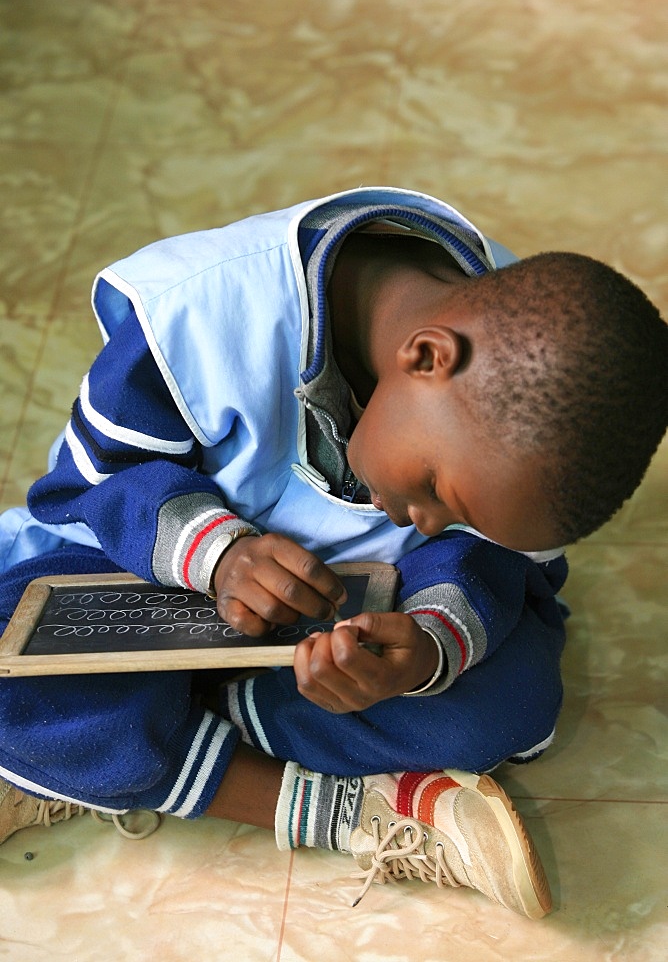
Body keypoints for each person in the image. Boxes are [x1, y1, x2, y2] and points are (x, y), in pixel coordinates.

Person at [0, 187, 666, 920]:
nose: (427, 520)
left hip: (350, 621)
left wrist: (424, 652)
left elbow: (493, 558)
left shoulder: (540, 405)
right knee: (11, 649)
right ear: (425, 356)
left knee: (518, 700)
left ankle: (119, 747)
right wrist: (217, 555)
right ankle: (354, 810)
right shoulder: (199, 311)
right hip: (147, 578)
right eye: (435, 490)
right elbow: (88, 485)